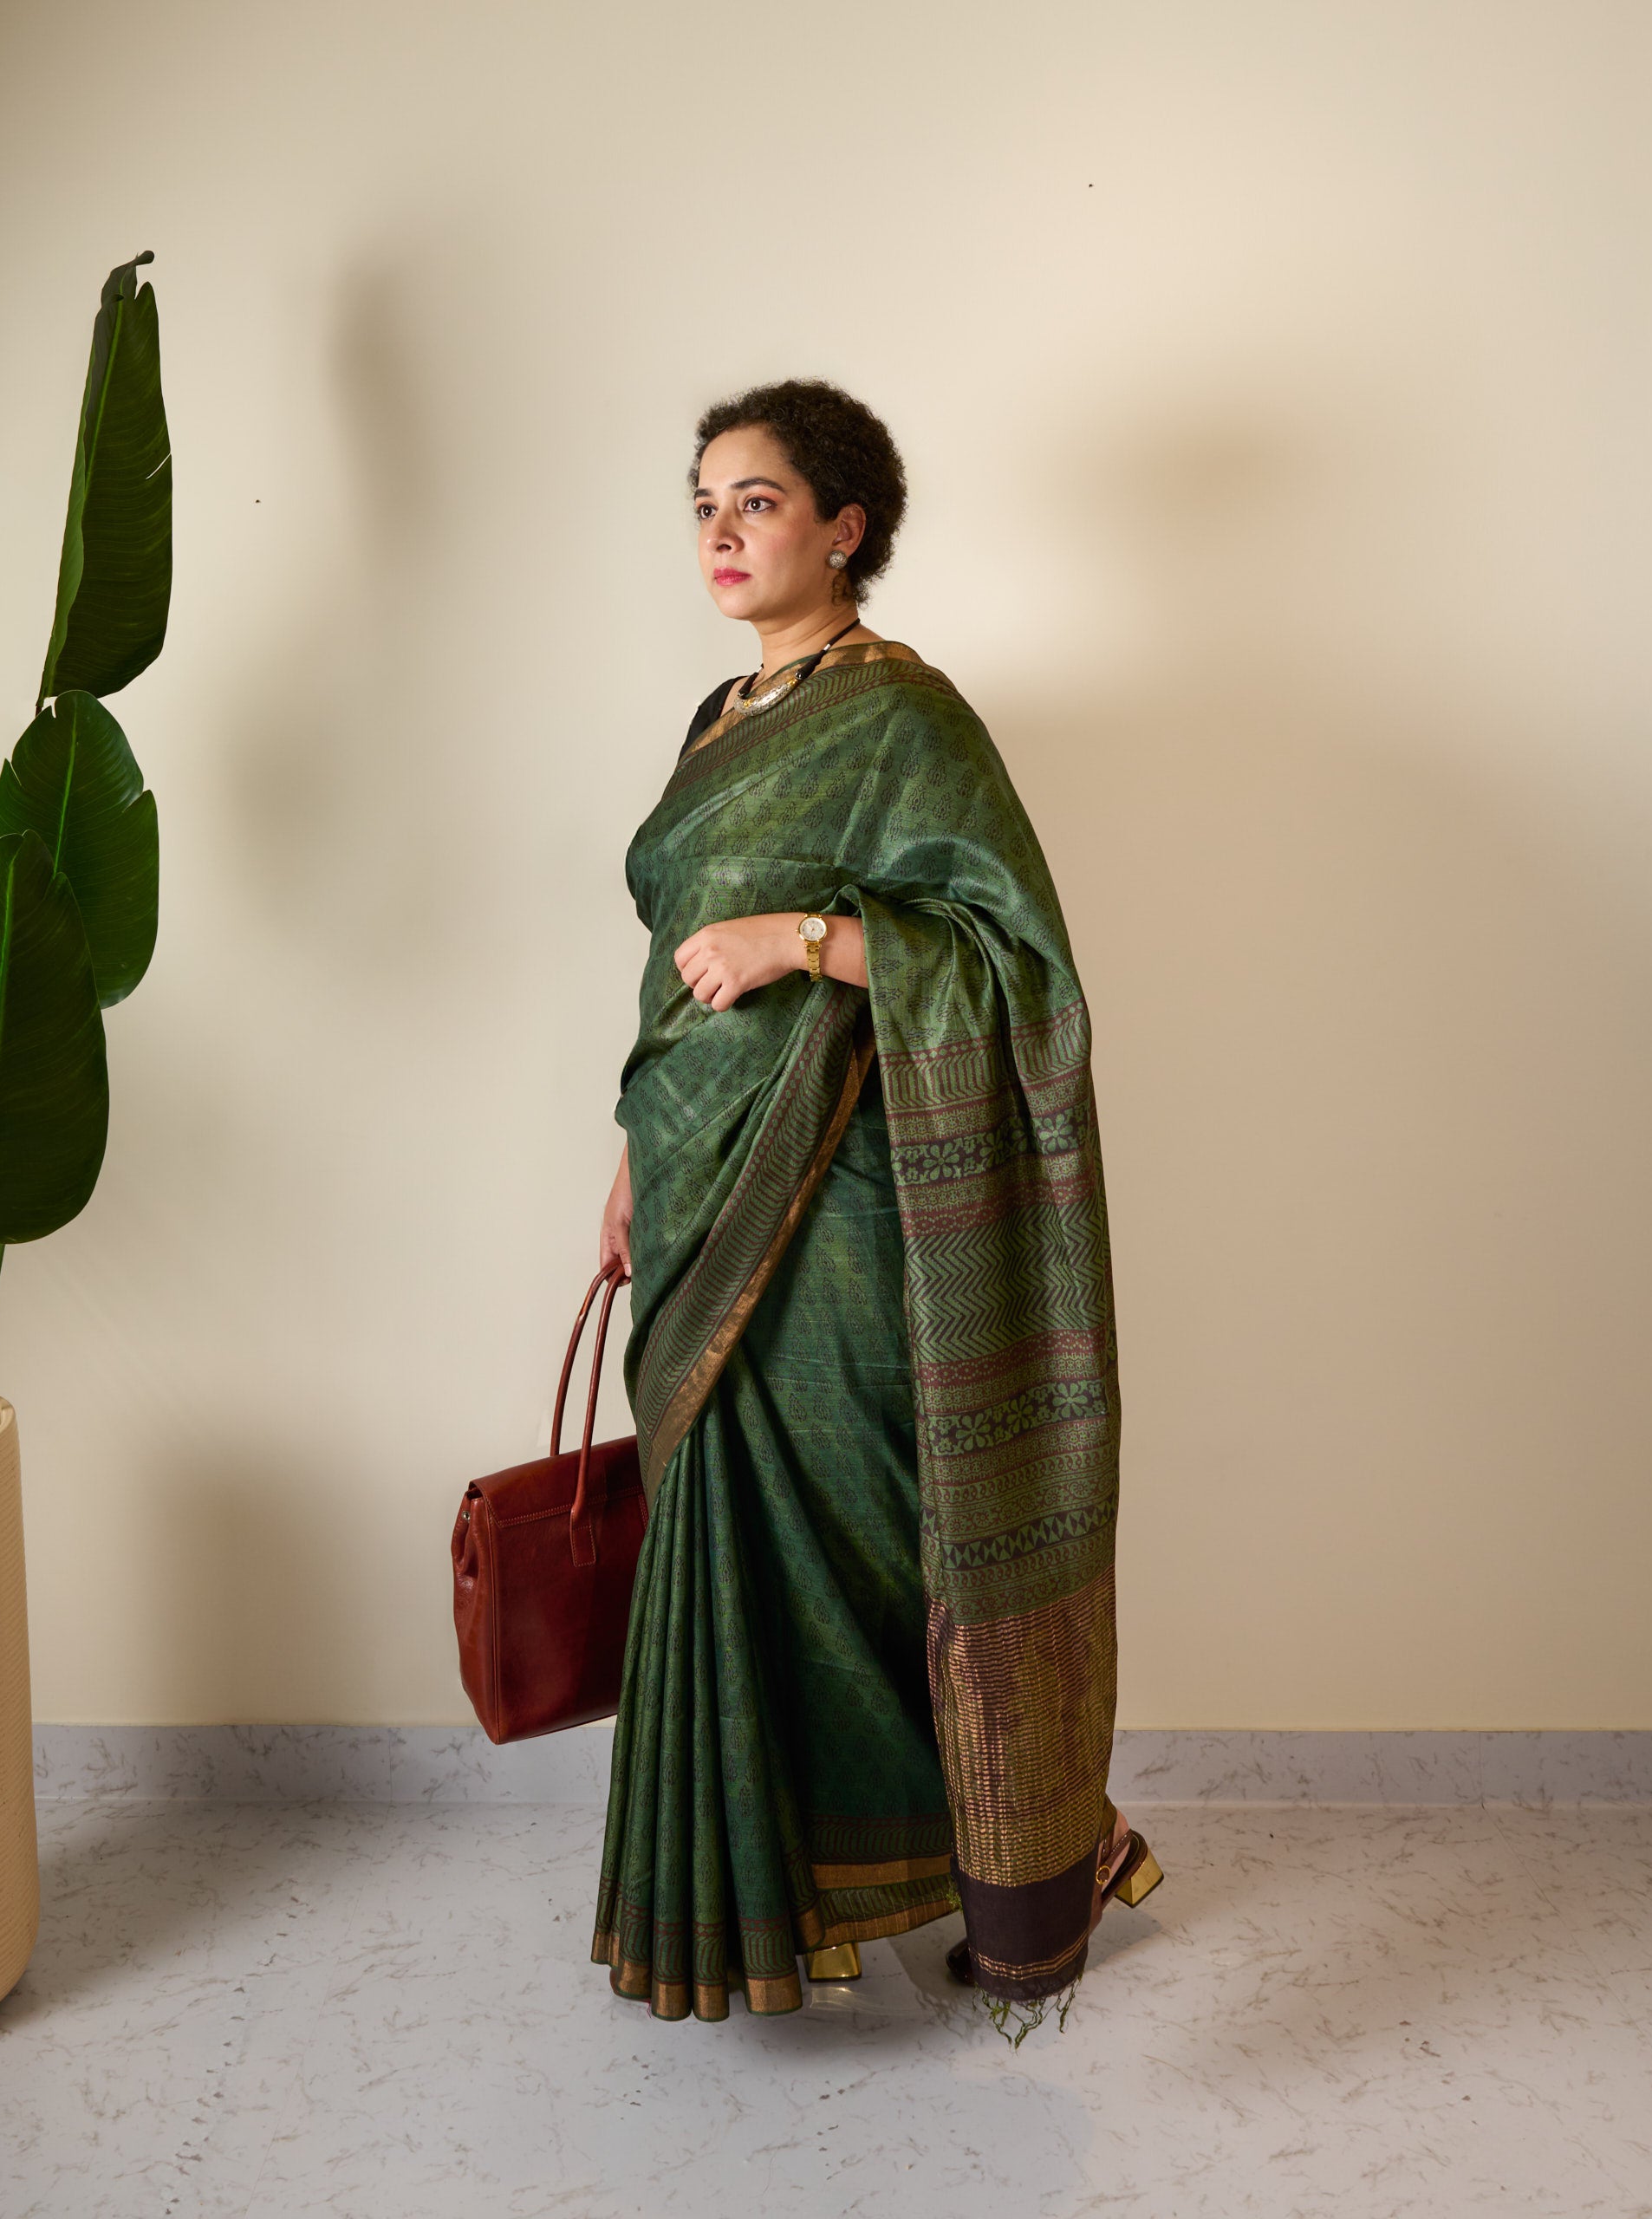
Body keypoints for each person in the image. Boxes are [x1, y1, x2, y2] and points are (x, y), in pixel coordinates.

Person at [592, 379, 1160, 2036]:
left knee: (855, 1536)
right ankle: (759, 1897)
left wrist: (803, 940)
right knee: (726, 1530)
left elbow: (1018, 969)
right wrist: (629, 1157)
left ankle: (1041, 1847)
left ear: (845, 528)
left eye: (757, 501)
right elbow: (669, 971)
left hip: (835, 1193)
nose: (719, 530)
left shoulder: (907, 716)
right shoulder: (718, 718)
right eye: (703, 503)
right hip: (692, 1171)